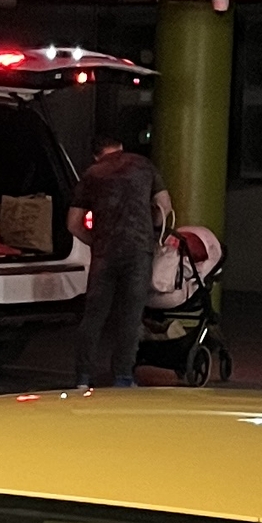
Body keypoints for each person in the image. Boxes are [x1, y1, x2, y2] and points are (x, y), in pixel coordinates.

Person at [73, 133, 171, 389]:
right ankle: (123, 378)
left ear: (96, 155)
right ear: (121, 147)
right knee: (130, 316)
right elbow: (164, 207)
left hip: (104, 252)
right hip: (138, 251)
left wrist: (95, 241)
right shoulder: (144, 165)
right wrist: (152, 230)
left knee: (94, 316)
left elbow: (72, 223)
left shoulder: (92, 174)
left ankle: (82, 378)